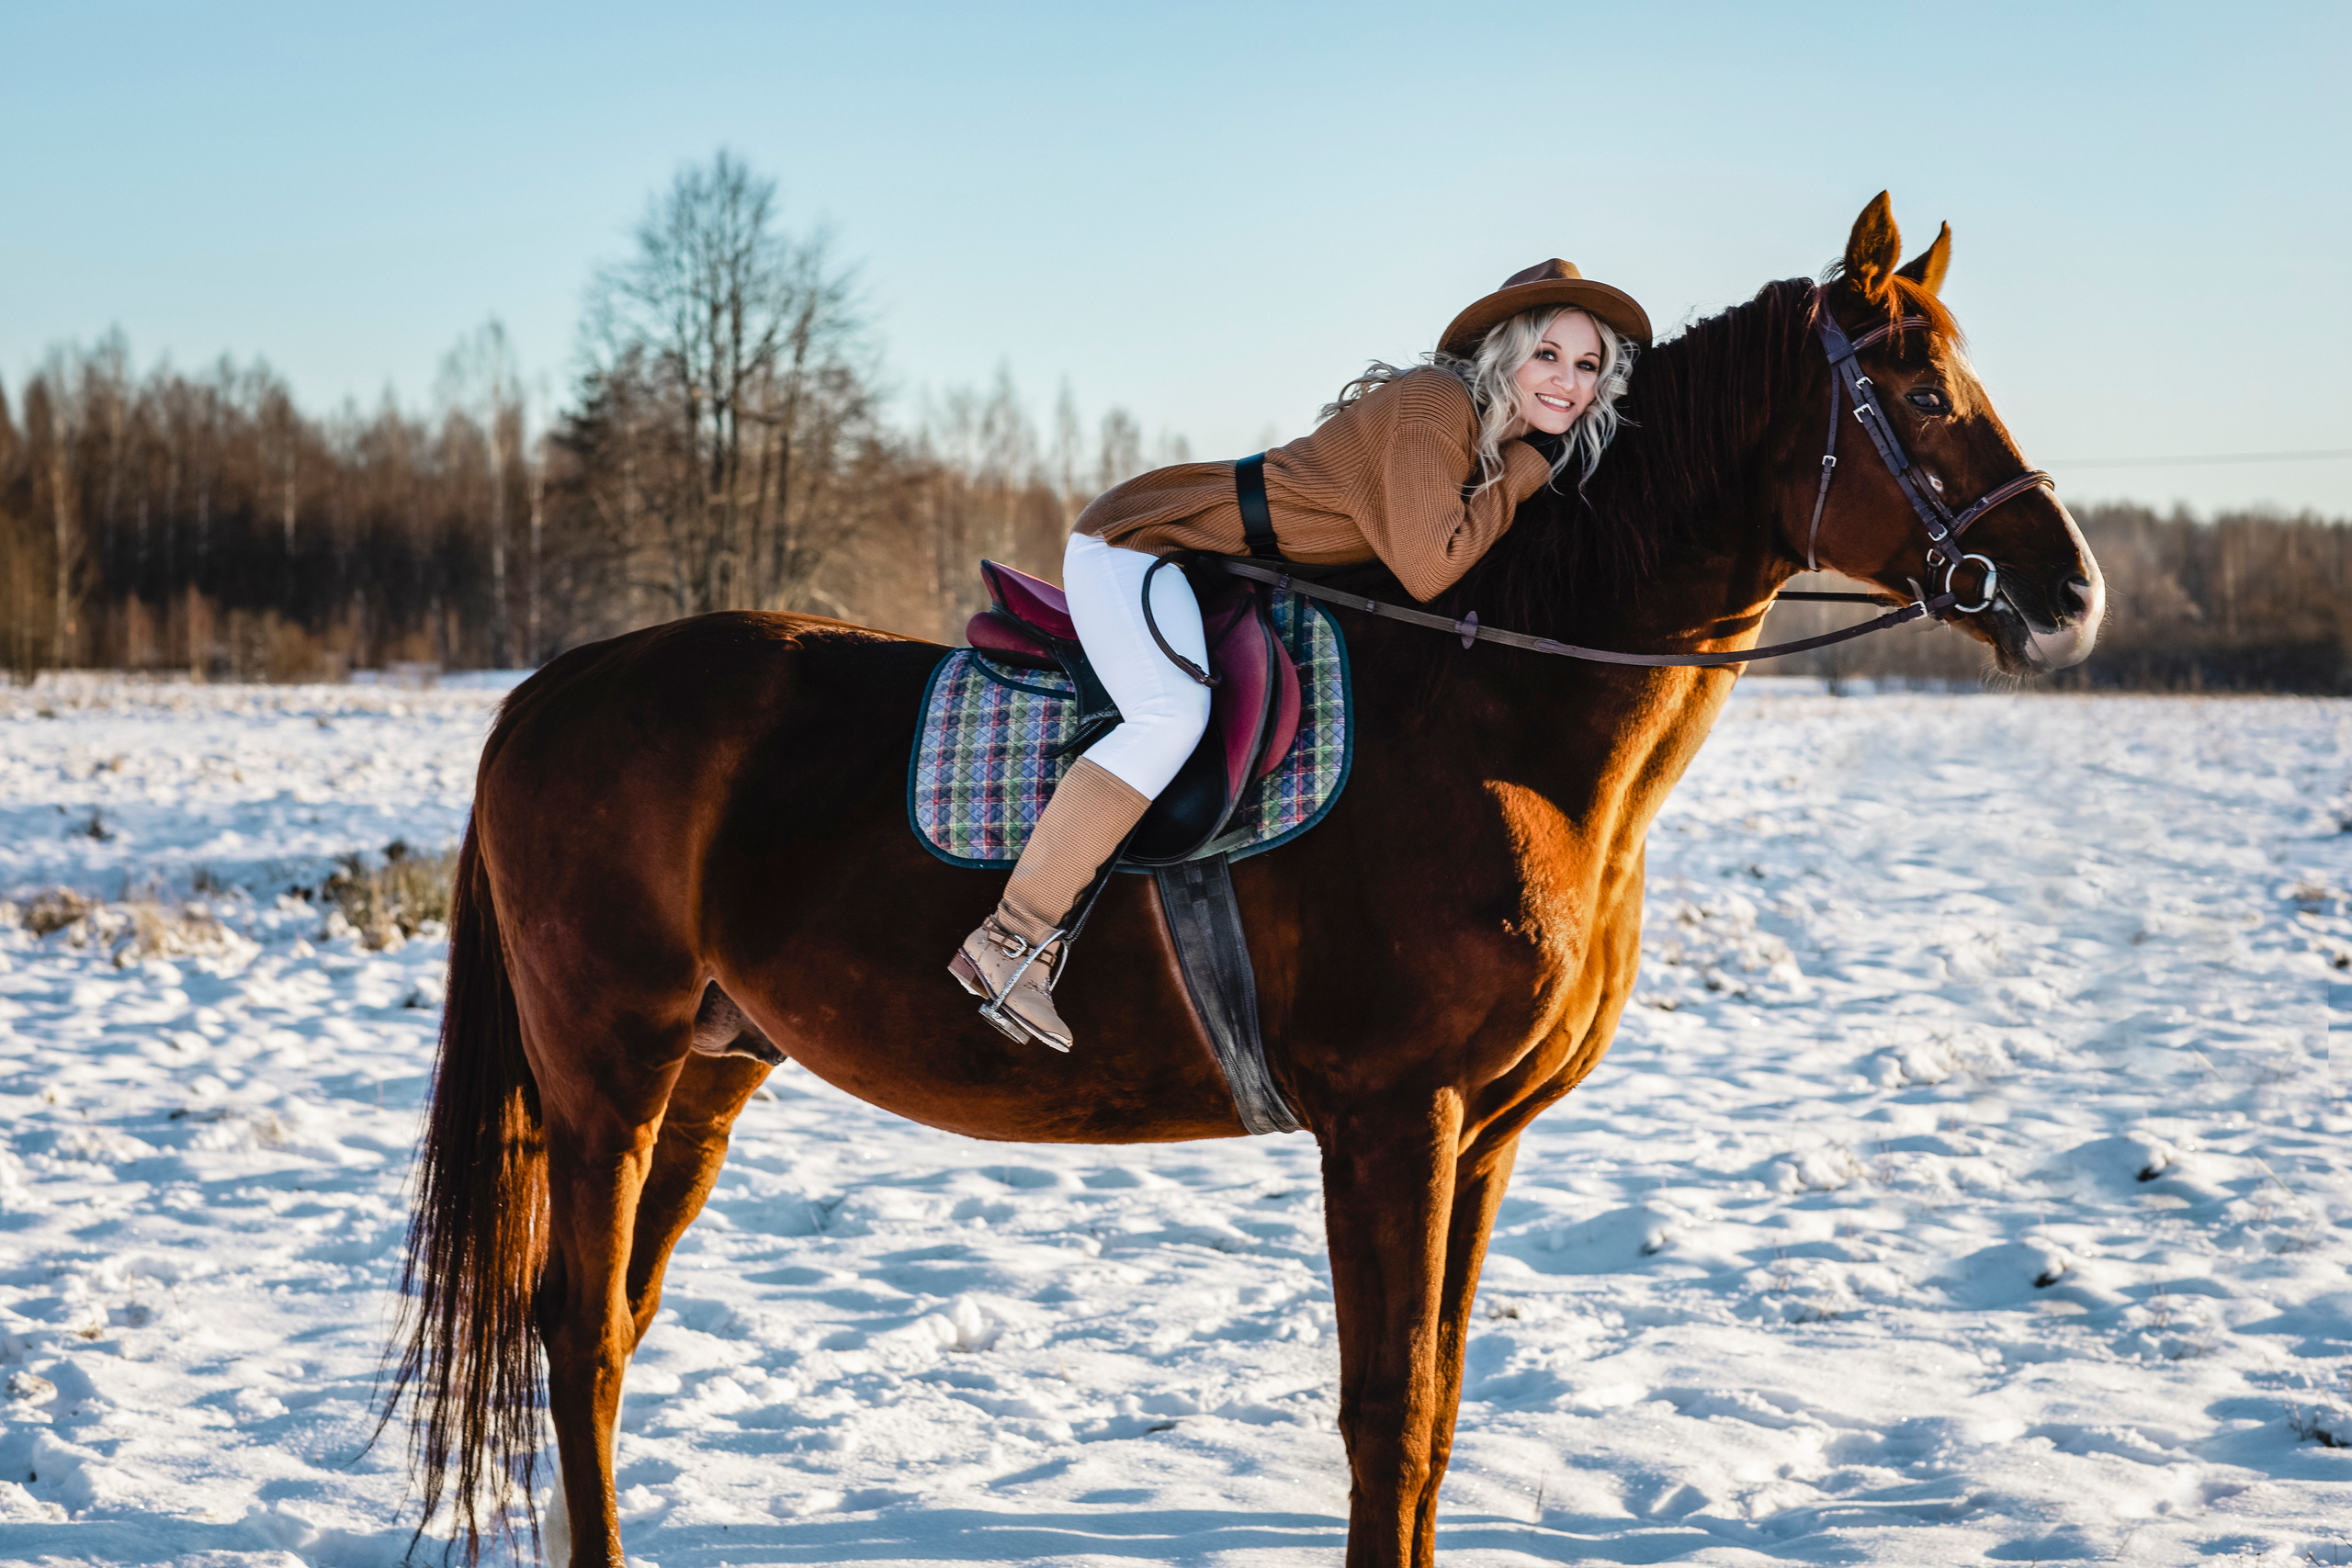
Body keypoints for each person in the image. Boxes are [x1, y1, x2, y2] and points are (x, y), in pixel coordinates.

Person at [948, 260, 1652, 1051]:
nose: (1567, 379)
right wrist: (1526, 471)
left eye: (1587, 364)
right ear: (1501, 352)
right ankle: (1009, 941)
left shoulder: (1497, 430)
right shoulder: (1436, 403)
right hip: (1140, 543)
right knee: (1169, 712)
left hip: (1213, 564)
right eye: (1546, 354)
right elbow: (1430, 567)